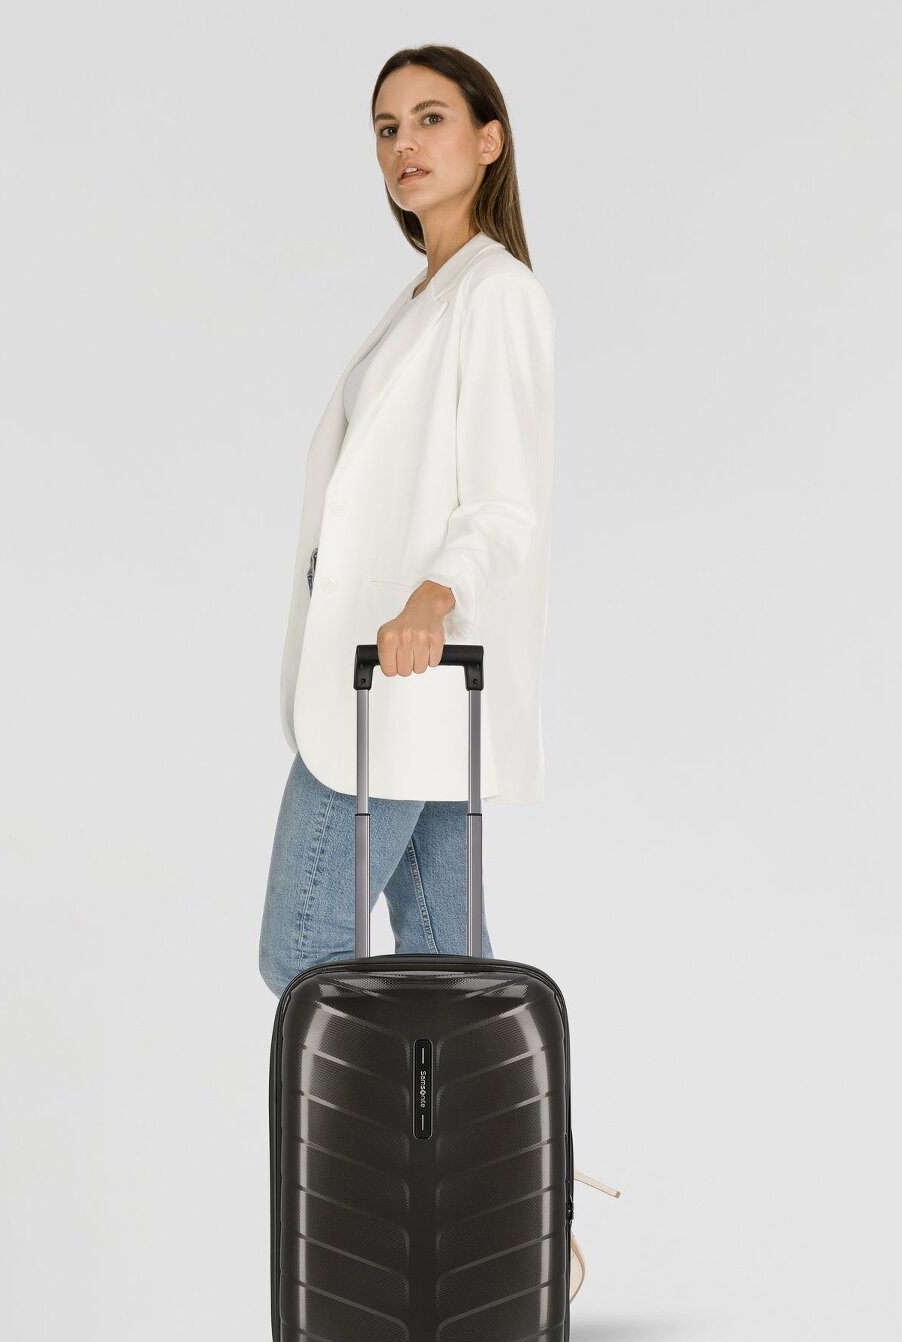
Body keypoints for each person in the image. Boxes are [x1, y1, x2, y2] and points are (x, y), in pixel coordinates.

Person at [259, 45, 555, 998]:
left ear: (490, 140)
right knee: (448, 962)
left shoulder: (496, 292)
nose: (404, 145)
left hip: (402, 666)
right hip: (396, 678)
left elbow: (505, 503)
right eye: (387, 128)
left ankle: (404, 1106)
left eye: (432, 119)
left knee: (303, 952)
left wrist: (433, 597)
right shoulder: (427, 296)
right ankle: (491, 1109)